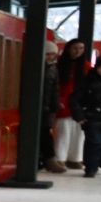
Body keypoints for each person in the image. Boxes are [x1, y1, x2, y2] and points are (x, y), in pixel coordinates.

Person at [52, 38, 92, 169]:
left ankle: (75, 158)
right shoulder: (59, 64)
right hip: (63, 101)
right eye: (75, 48)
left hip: (80, 103)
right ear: (69, 49)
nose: (78, 51)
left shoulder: (86, 66)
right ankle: (60, 158)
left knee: (78, 132)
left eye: (81, 48)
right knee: (63, 131)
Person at [41, 41, 63, 173]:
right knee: (45, 134)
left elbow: (55, 89)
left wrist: (55, 105)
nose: (50, 57)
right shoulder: (49, 68)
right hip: (43, 107)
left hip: (48, 108)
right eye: (48, 54)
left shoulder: (53, 68)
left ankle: (48, 159)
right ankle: (49, 160)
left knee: (46, 133)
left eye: (53, 54)